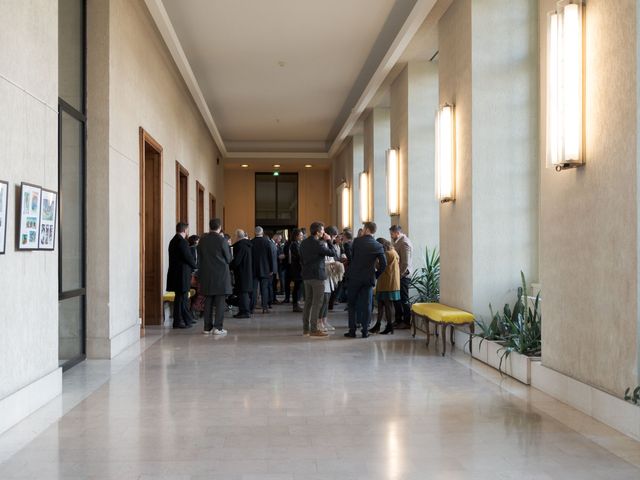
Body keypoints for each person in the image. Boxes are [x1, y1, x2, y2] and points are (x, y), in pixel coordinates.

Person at [344, 222, 387, 338]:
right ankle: (364, 331)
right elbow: (384, 264)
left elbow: (352, 258)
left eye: (363, 228)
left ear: (367, 229)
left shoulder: (357, 241)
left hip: (354, 278)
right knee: (367, 305)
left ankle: (352, 330)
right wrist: (376, 275)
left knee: (352, 304)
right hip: (368, 279)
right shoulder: (378, 246)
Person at [300, 221, 337, 337]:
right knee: (317, 303)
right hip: (317, 276)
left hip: (306, 276)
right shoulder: (318, 244)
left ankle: (306, 329)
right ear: (317, 232)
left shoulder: (303, 243)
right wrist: (329, 240)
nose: (323, 232)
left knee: (308, 303)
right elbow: (333, 253)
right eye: (322, 230)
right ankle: (314, 329)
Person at [198, 218, 232, 335]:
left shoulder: (202, 240)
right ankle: (218, 327)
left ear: (210, 226)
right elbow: (228, 259)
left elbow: (200, 258)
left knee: (207, 301)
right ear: (219, 227)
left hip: (206, 274)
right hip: (220, 275)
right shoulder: (222, 240)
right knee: (220, 302)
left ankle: (207, 327)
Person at [166, 222, 197, 329]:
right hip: (182, 274)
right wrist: (195, 266)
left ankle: (181, 320)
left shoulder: (173, 241)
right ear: (185, 230)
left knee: (180, 298)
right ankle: (183, 320)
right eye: (187, 230)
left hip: (176, 274)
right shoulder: (182, 242)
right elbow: (188, 257)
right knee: (182, 298)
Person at [369, 238, 400, 335]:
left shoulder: (387, 254)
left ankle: (389, 326)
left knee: (386, 305)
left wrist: (374, 260)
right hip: (388, 281)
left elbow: (380, 266)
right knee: (383, 305)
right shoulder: (393, 251)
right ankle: (378, 325)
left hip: (387, 282)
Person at [389, 225, 413, 329]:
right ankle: (398, 320)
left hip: (403, 276)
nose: (391, 236)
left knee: (404, 299)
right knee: (396, 299)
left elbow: (405, 263)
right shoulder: (398, 241)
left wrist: (399, 276)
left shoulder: (404, 242)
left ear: (397, 233)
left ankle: (407, 322)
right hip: (398, 275)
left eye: (392, 234)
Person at [251, 226, 275, 314]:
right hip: (265, 269)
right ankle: (265, 308)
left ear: (254, 232)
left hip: (253, 269)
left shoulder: (251, 242)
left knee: (253, 289)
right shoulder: (267, 242)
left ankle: (252, 308)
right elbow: (270, 257)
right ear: (262, 232)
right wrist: (272, 268)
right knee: (264, 289)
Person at [231, 229, 253, 318]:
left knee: (243, 292)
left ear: (237, 236)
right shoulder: (247, 245)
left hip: (242, 272)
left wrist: (229, 266)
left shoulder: (240, 246)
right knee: (243, 292)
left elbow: (237, 261)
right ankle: (243, 311)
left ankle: (245, 312)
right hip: (247, 271)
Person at [289, 228, 304, 312]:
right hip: (297, 269)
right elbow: (299, 256)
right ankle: (295, 305)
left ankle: (297, 303)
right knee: (297, 287)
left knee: (298, 287)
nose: (302, 236)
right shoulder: (294, 244)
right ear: (296, 236)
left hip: (298, 268)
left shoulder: (298, 243)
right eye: (300, 235)